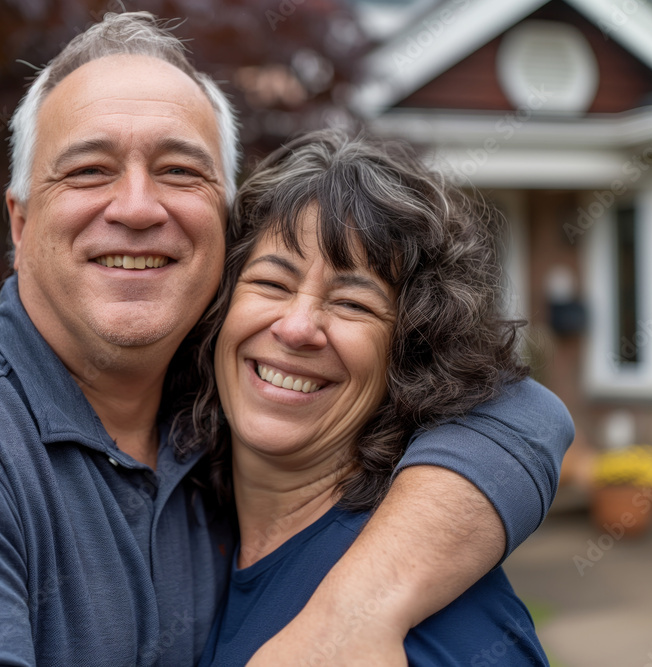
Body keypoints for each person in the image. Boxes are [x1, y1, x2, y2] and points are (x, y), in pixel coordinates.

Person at [0, 12, 573, 666]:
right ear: (20, 220)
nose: (137, 207)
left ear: (222, 225)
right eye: (90, 170)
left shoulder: (213, 419)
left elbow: (520, 412)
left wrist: (356, 609)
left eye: (178, 171)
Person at [189, 129, 552, 665]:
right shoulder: (192, 533)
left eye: (353, 304)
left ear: (409, 353)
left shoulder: (439, 618)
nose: (296, 328)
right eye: (272, 283)